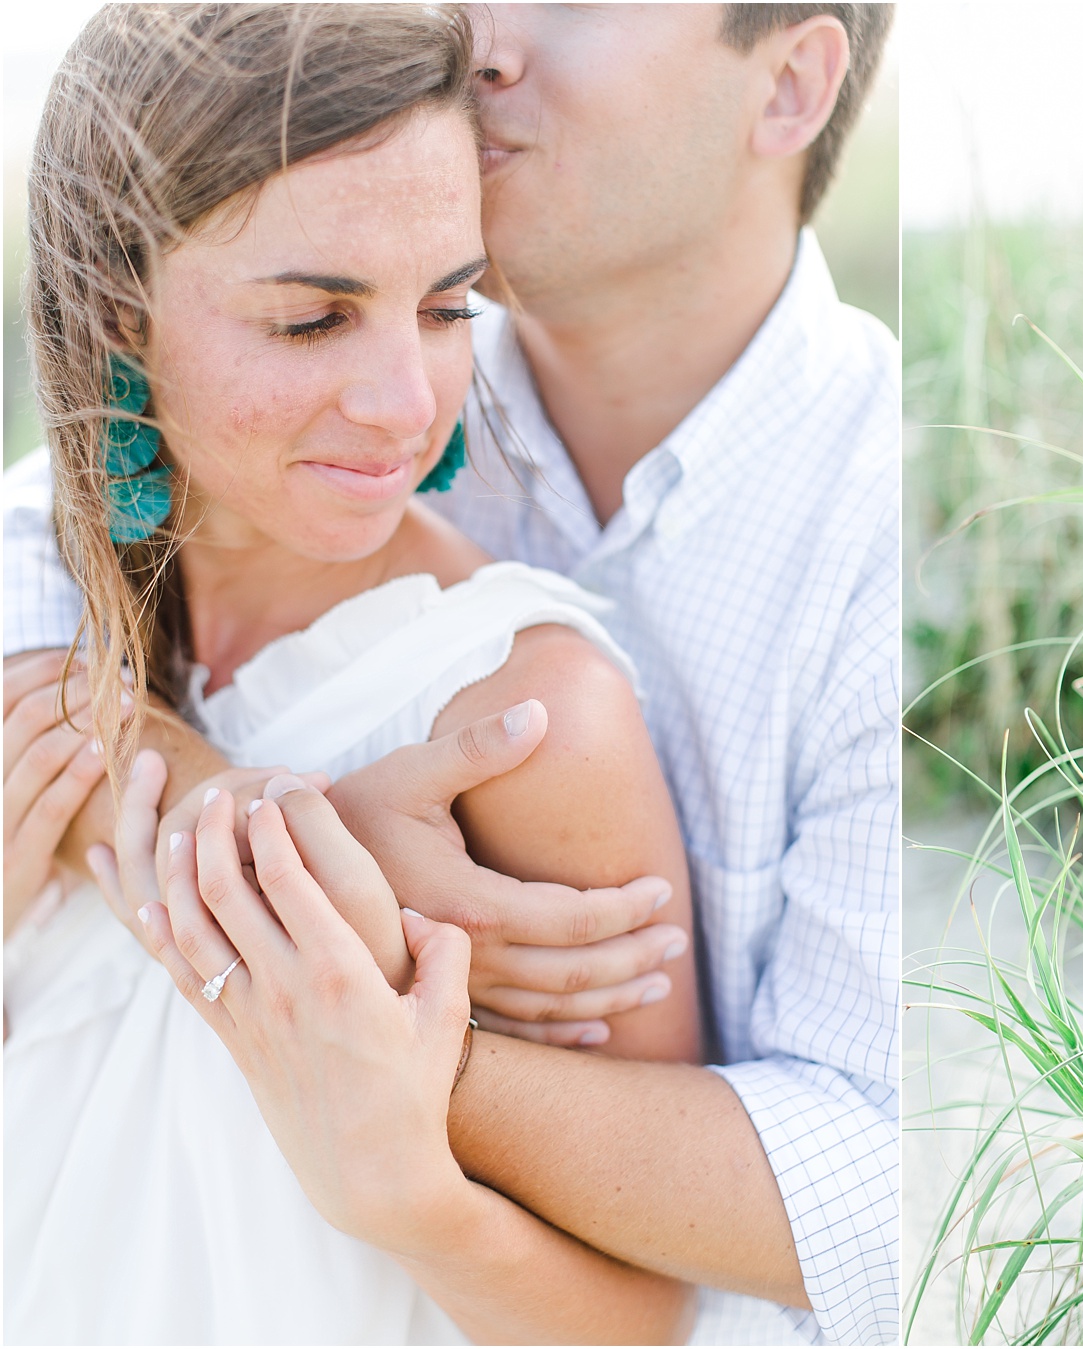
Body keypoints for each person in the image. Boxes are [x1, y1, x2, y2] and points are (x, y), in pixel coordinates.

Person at [5, 3, 901, 1344]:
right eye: (320, 319)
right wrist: (254, 821)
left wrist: (342, 947)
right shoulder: (341, 383)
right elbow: (61, 523)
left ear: (788, 87)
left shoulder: (878, 534)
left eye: (577, 3)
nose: (483, 39)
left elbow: (891, 1194)